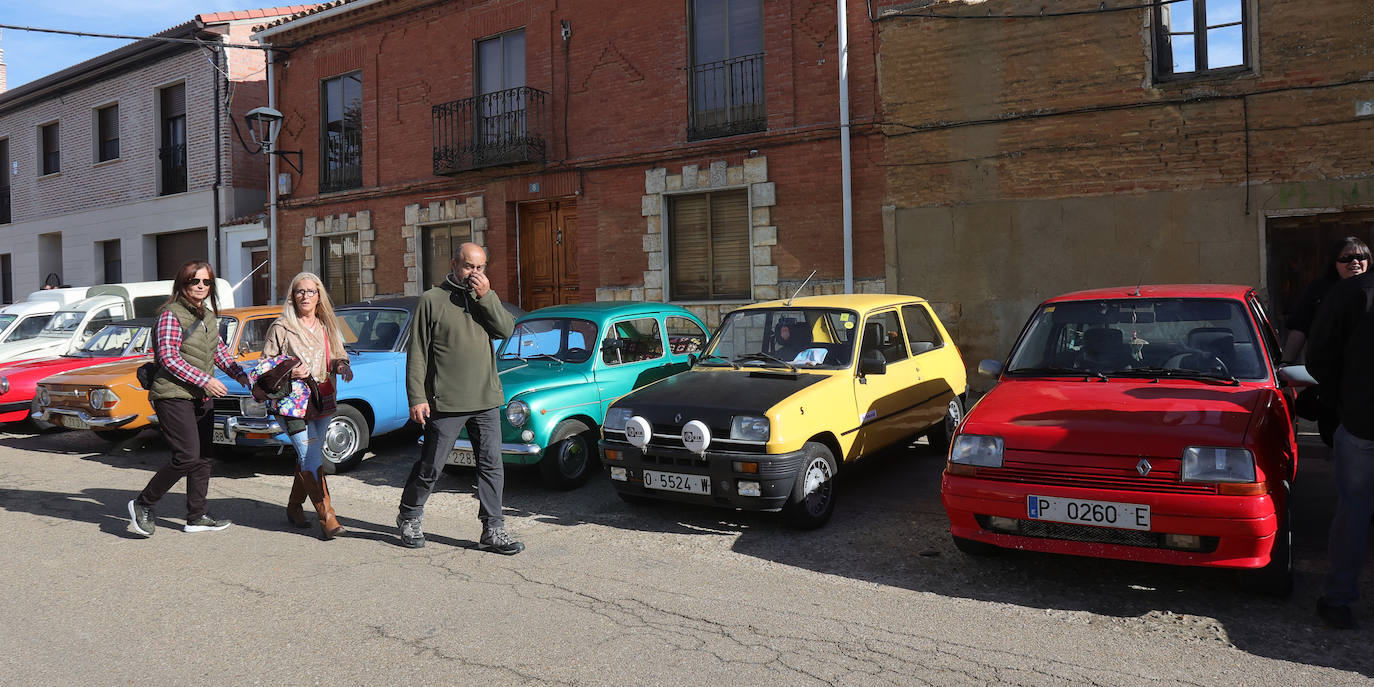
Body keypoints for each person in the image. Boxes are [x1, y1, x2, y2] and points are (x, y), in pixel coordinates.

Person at [396, 242, 523, 555]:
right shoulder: (431, 300)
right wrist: (417, 397)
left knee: (492, 466)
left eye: (480, 267)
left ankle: (493, 530)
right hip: (447, 401)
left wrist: (486, 296)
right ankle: (409, 515)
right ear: (454, 264)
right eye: (469, 266)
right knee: (432, 465)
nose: (474, 274)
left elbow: (506, 329)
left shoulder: (484, 298)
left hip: (486, 398)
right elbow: (417, 354)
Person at [127, 260, 250, 537]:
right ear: (182, 283)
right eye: (195, 281)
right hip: (172, 393)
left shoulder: (207, 316)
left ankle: (196, 516)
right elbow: (169, 358)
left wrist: (239, 374)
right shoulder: (170, 314)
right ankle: (142, 504)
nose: (201, 287)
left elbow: (219, 352)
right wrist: (206, 379)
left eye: (206, 282)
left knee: (204, 457)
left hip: (200, 396)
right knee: (186, 456)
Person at [1306, 263, 1374, 629]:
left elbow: (1319, 358)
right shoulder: (1353, 292)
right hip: (1361, 422)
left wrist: (1341, 402)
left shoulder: (1353, 292)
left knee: (1354, 512)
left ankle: (1338, 600)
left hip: (1362, 423)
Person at [263, 272, 353, 540]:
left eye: (310, 291)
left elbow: (340, 353)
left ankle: (293, 507)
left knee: (308, 456)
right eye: (299, 291)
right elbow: (265, 363)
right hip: (290, 402)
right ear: (292, 296)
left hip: (321, 398)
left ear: (319, 296)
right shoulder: (281, 326)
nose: (305, 296)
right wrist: (290, 370)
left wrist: (341, 364)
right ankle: (328, 516)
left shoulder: (330, 324)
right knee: (310, 453)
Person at [1284, 236, 1369, 446]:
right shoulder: (1321, 290)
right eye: (1346, 258)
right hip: (1335, 385)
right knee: (1337, 440)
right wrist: (1285, 363)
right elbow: (1301, 328)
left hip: (1368, 383)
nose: (1355, 262)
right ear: (1334, 263)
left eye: (1360, 256)